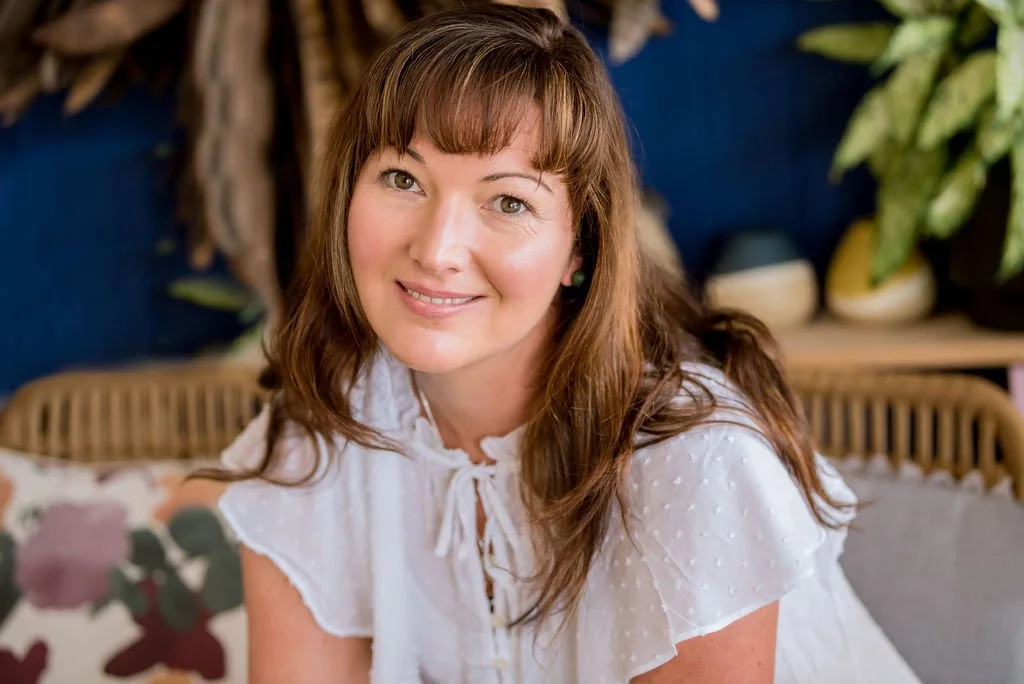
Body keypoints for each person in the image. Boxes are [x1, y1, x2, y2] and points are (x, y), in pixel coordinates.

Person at [210, 5, 921, 683]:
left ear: (580, 248)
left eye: (508, 201)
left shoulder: (695, 461)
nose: (437, 249)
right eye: (403, 178)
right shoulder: (319, 436)